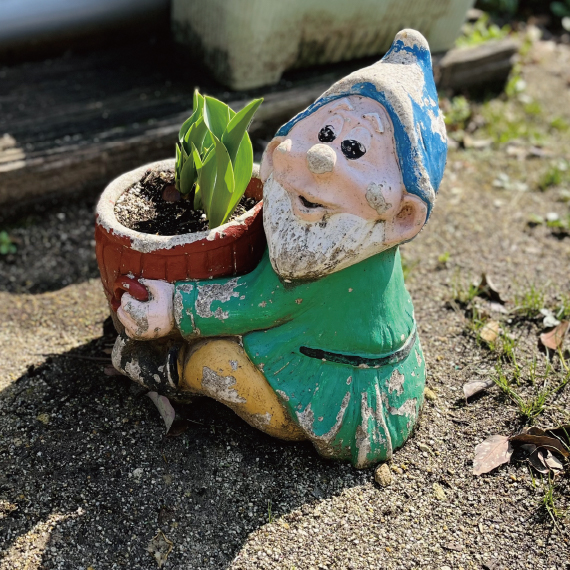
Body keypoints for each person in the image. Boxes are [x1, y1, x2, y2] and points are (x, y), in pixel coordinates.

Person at [114, 29, 447, 468]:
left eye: (355, 150)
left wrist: (173, 308)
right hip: (325, 350)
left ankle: (167, 369)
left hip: (336, 395)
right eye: (324, 132)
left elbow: (261, 301)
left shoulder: (332, 257)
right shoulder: (349, 237)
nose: (322, 158)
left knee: (219, 362)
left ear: (404, 215)